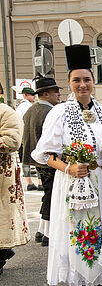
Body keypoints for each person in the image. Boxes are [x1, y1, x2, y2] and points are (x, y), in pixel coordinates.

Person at [32, 45, 102, 286]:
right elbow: (45, 155)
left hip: (100, 181)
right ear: (69, 83)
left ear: (94, 82)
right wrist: (68, 167)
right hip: (73, 184)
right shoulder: (60, 113)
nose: (82, 85)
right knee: (80, 236)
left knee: (99, 236)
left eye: (87, 79)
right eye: (76, 80)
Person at [22, 77, 60, 245]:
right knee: (52, 195)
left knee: (47, 194)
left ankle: (42, 231)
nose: (58, 94)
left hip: (36, 159)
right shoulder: (50, 111)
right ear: (46, 94)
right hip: (47, 159)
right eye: (55, 91)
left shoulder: (31, 109)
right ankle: (47, 234)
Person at [0, 96, 30, 275]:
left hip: (3, 177)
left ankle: (2, 254)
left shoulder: (6, 112)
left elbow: (12, 141)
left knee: (3, 217)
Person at [16, 86, 38, 191]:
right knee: (36, 158)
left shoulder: (20, 107)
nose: (34, 96)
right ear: (25, 95)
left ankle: (29, 182)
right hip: (31, 134)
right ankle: (39, 182)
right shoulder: (29, 106)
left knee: (26, 159)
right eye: (31, 94)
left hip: (23, 136)